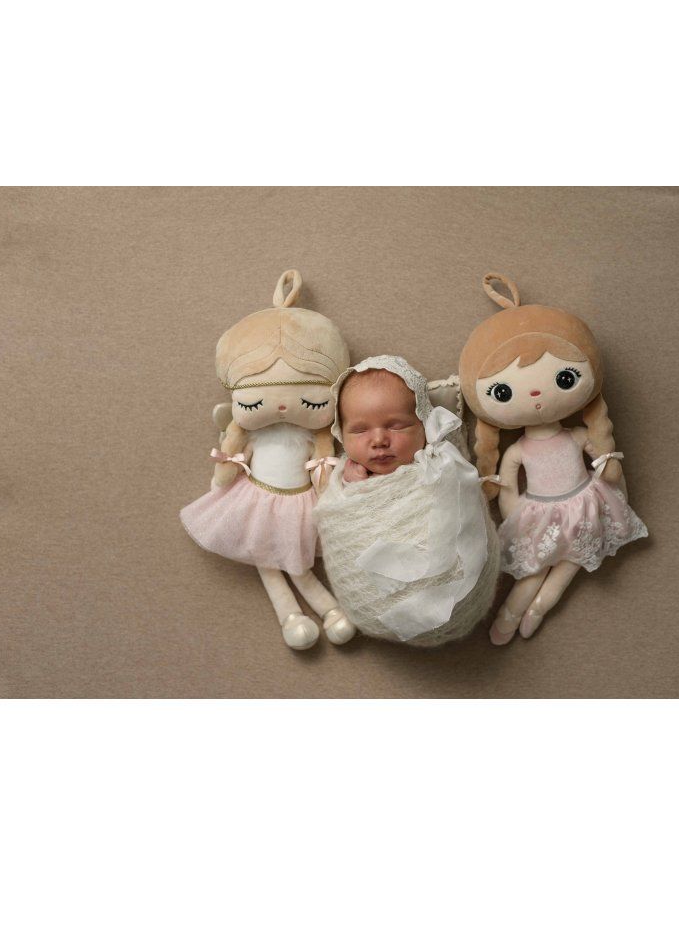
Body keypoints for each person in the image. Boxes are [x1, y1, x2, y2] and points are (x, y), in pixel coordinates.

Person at [460, 273, 648, 644]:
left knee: (568, 565)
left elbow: (604, 461)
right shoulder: (517, 451)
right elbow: (508, 485)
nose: (534, 396)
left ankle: (539, 608)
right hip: (541, 512)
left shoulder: (577, 436)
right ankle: (513, 612)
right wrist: (515, 512)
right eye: (503, 392)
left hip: (583, 505)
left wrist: (611, 477)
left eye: (564, 378)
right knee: (535, 569)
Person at [180, 270, 355, 651]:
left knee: (298, 564)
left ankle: (328, 610)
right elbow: (231, 463)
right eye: (258, 400)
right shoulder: (251, 434)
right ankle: (292, 616)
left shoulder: (317, 436)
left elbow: (323, 467)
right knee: (268, 563)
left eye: (308, 400)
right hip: (256, 500)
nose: (282, 407)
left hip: (298, 505)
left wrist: (328, 489)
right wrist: (223, 474)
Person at [314, 356, 500, 647]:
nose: (379, 440)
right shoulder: (345, 475)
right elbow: (339, 514)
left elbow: (461, 505)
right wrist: (350, 485)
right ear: (341, 434)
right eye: (360, 430)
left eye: (397, 426)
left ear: (423, 425)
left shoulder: (442, 466)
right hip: (370, 599)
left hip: (457, 596)